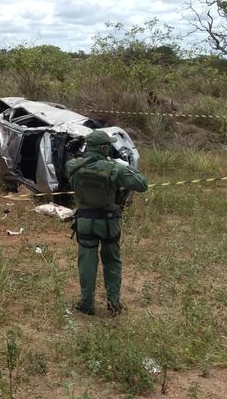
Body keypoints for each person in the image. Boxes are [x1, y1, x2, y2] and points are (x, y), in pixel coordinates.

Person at [66, 131, 148, 317]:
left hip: (85, 221)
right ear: (104, 148)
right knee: (112, 261)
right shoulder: (114, 169)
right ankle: (114, 302)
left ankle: (86, 304)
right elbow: (142, 184)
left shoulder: (73, 165)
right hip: (108, 222)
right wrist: (123, 167)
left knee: (87, 262)